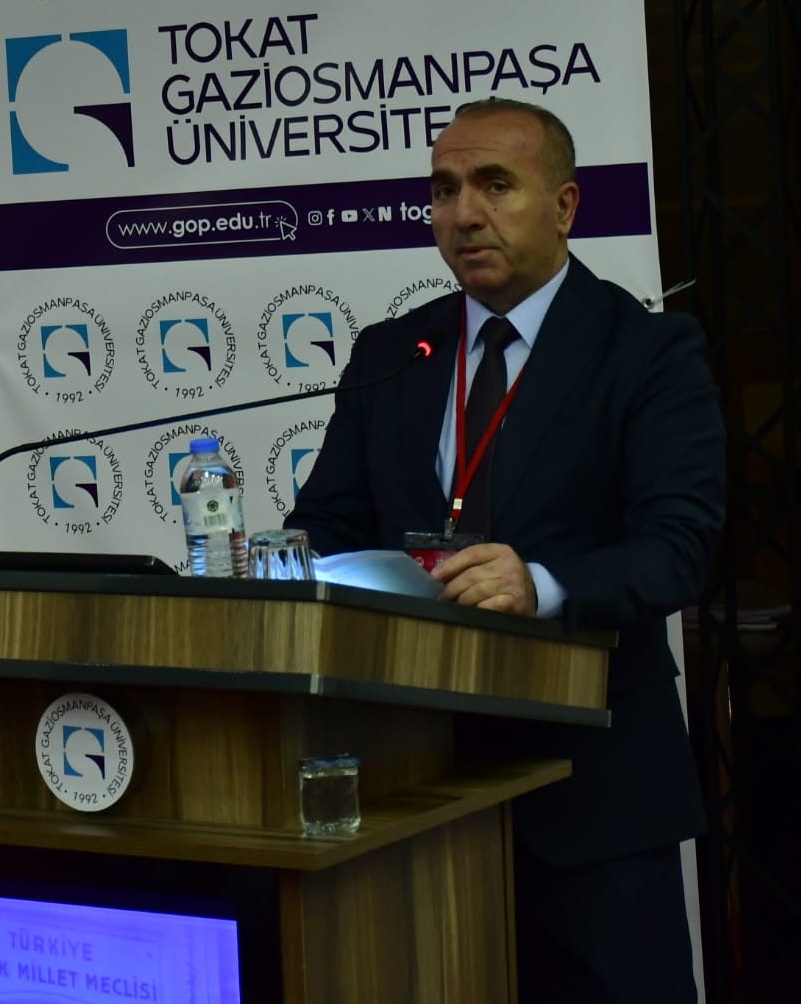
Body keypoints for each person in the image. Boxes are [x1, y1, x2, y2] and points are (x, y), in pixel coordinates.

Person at [288, 97, 726, 1003]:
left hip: (591, 801)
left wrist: (546, 583)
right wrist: (279, 568)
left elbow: (678, 546)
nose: (464, 213)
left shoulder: (646, 350)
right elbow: (327, 523)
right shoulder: (393, 353)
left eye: (495, 185)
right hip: (415, 788)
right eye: (444, 190)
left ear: (564, 207)